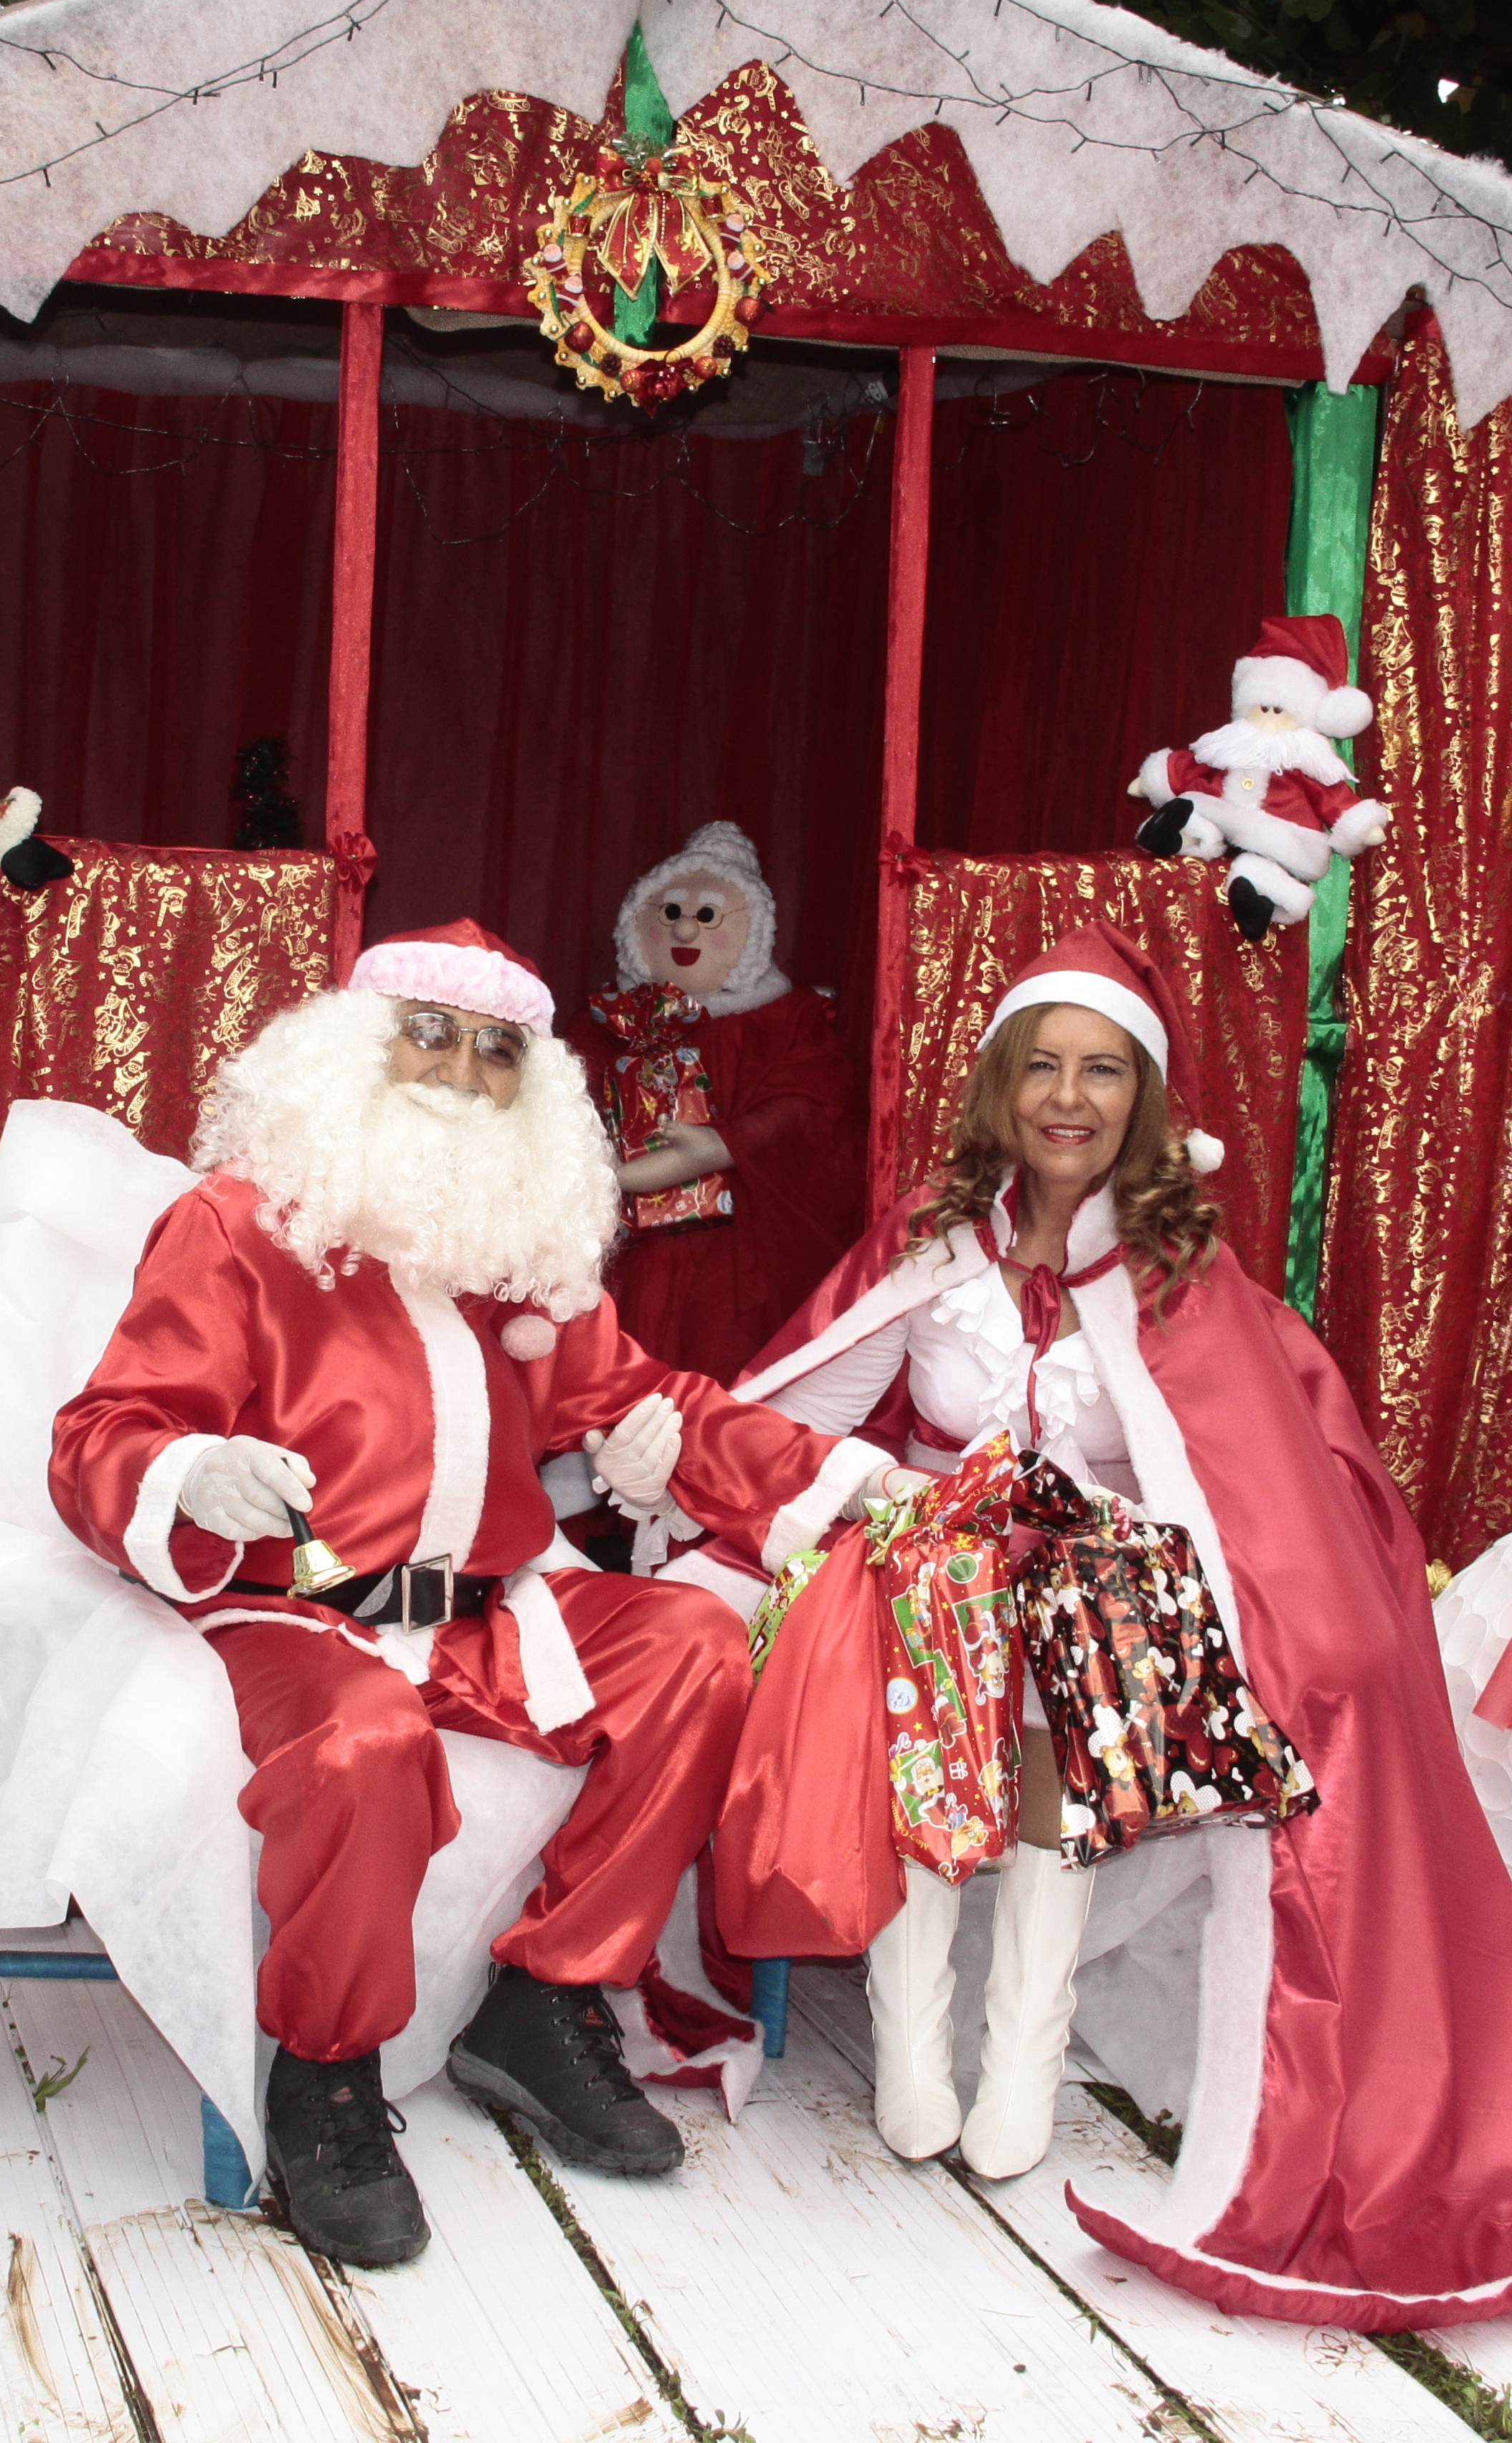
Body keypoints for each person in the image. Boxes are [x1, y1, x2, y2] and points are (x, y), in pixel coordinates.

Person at [681, 924, 1512, 2330]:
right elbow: (800, 1409)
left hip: (1105, 1586)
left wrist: (1276, 1616)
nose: (1069, 1095)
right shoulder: (931, 1246)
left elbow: (1245, 1469)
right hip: (930, 1558)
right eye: (1042, 1065)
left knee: (1072, 1638)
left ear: (1141, 1097)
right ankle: (914, 2053)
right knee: (939, 1620)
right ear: (1000, 1085)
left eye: (1103, 1069)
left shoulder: (1174, 1271)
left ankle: (1022, 2066)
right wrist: (759, 1510)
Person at [49, 920, 897, 2270]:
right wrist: (190, 1468)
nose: (456, 1070)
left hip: (490, 1612)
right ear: (350, 1053)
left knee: (689, 1644)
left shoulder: (511, 1245)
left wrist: (834, 1480)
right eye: (428, 1033)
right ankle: (325, 2077)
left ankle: (550, 1998)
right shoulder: (234, 1224)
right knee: (362, 1746)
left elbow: (635, 1401)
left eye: (496, 1049)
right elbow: (104, 1431)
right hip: (296, 1611)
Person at [589, 822, 864, 1399]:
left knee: (720, 1374)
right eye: (670, 914)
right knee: (615, 1360)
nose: (686, 928)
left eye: (709, 916)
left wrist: (721, 1145)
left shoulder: (786, 1023)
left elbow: (815, 1109)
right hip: (626, 1250)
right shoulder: (604, 1024)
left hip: (736, 1254)